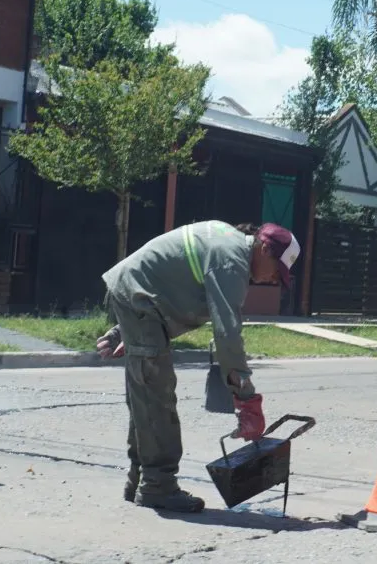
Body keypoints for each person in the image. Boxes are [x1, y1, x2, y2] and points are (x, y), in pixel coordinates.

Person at [95, 220, 301, 513]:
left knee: (146, 395)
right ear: (264, 249)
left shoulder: (226, 242)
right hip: (140, 301)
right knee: (156, 394)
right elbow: (227, 334)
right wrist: (247, 400)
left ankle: (141, 479)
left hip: (139, 298)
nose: (273, 280)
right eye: (276, 271)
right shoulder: (231, 263)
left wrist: (124, 330)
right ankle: (158, 486)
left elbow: (171, 282)